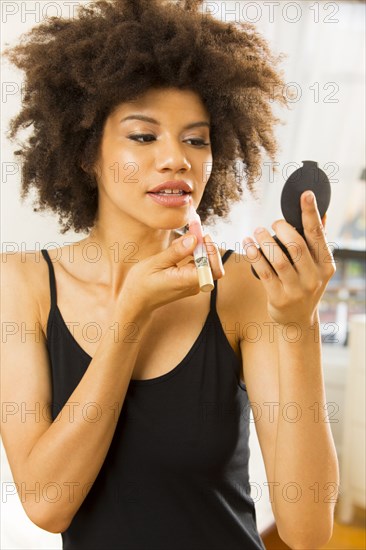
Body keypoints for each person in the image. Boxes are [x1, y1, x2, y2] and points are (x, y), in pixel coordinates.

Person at [1, 1, 339, 549]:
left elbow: (308, 532)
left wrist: (299, 325)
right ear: (89, 152)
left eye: (196, 139)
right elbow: (48, 504)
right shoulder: (21, 283)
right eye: (143, 136)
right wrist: (131, 314)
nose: (176, 159)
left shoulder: (247, 286)